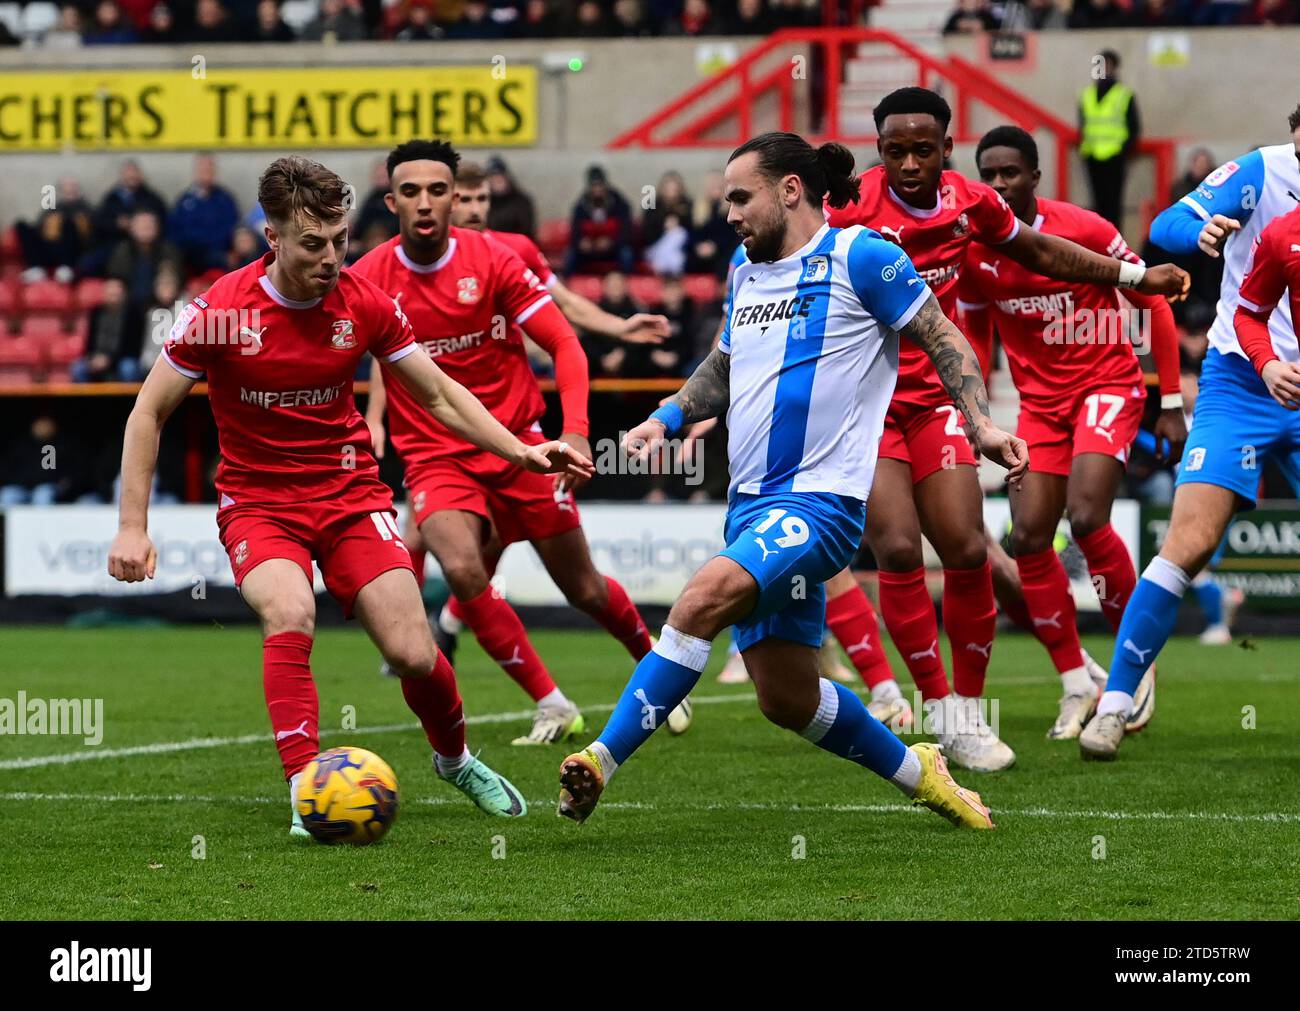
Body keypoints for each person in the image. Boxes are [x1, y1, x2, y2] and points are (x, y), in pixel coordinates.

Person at [556, 131, 1031, 830]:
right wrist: (664, 416)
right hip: (750, 506)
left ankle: (601, 758)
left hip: (822, 502)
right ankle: (920, 772)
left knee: (701, 597)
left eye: (740, 197)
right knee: (787, 697)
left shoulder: (861, 256)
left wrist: (982, 422)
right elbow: (722, 365)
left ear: (790, 191)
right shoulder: (746, 276)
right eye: (725, 201)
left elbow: (941, 334)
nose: (729, 213)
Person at [107, 155, 593, 835]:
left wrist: (521, 449)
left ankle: (454, 760)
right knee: (290, 611)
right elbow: (147, 412)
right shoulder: (220, 310)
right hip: (259, 503)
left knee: (414, 653)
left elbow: (440, 392)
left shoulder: (363, 301)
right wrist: (133, 525)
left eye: (339, 241)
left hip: (349, 494)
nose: (332, 257)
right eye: (313, 244)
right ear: (272, 238)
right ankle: (307, 787)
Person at [824, 87, 1188, 772]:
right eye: (894, 150)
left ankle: (975, 706)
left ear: (945, 149)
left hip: (939, 399)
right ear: (878, 151)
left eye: (922, 150)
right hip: (859, 405)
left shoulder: (970, 204)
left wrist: (1136, 274)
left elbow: (1045, 252)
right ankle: (941, 708)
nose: (908, 163)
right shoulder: (845, 208)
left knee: (967, 548)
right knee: (899, 549)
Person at [356, 140, 675, 746]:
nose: (425, 203)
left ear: (457, 197)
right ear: (391, 198)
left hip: (521, 444)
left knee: (582, 588)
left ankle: (653, 663)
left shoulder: (496, 258)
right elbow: (354, 359)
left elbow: (565, 342)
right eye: (411, 191)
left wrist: (575, 432)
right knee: (462, 567)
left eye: (438, 190)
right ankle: (553, 702)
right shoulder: (369, 276)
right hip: (434, 454)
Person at [1078, 105, 1300, 760]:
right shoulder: (1263, 173)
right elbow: (1164, 226)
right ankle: (1115, 705)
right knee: (1190, 539)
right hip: (1241, 381)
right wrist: (1201, 227)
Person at [958, 125, 1183, 738]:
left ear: (1035, 175)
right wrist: (971, 405)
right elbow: (974, 334)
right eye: (989, 174)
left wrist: (1171, 397)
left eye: (1010, 172)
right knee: (1029, 538)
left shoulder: (1084, 229)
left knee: (1086, 518)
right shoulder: (976, 248)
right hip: (1040, 407)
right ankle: (1076, 683)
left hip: (1109, 385)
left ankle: (1133, 670)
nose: (999, 184)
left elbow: (1155, 301)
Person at [1077, 49, 1140, 229]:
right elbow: (1083, 123)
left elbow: (1133, 127)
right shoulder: (1086, 94)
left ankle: (1113, 242)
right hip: (1092, 155)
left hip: (1115, 156)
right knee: (1097, 203)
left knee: (1113, 204)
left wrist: (1124, 151)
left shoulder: (1124, 94)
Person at [166, 153, 240, 273]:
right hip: (189, 258)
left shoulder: (225, 200)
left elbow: (231, 228)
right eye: (202, 169)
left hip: (219, 256)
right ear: (195, 171)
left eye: (209, 169)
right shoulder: (184, 201)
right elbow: (176, 232)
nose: (206, 173)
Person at [565, 165, 636, 275]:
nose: (597, 190)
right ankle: (567, 287)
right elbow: (574, 233)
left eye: (600, 186)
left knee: (626, 254)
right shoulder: (581, 206)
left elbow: (627, 232)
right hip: (589, 250)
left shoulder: (619, 203)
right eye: (594, 186)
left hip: (613, 249)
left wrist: (611, 242)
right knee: (570, 255)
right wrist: (581, 242)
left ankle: (625, 285)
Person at [484, 155, 537, 238]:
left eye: (499, 176)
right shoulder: (484, 202)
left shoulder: (521, 201)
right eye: (493, 177)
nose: (497, 180)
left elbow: (526, 230)